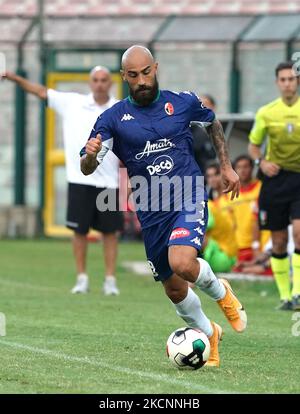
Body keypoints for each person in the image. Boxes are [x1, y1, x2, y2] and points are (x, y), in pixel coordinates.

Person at [80, 45, 247, 368]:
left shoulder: (181, 102)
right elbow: (88, 165)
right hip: (151, 207)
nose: (141, 80)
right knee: (174, 288)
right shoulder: (112, 119)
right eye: (133, 75)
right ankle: (208, 333)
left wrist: (226, 167)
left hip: (188, 192)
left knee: (183, 262)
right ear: (124, 77)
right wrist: (90, 154)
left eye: (146, 72)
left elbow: (212, 123)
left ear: (155, 68)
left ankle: (222, 293)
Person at [2, 66, 124, 295]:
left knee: (110, 233)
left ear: (111, 83)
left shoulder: (119, 109)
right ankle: (82, 278)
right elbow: (40, 91)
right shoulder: (72, 103)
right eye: (95, 80)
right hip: (79, 179)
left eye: (104, 80)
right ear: (90, 83)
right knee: (79, 232)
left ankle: (110, 280)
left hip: (109, 182)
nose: (99, 83)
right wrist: (13, 76)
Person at [248, 61, 300, 311]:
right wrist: (262, 162)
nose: (288, 83)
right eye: (283, 79)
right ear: (277, 83)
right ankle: (285, 296)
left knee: (299, 233)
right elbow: (254, 145)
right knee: (278, 241)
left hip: (299, 178)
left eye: (292, 78)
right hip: (275, 181)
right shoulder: (267, 112)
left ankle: (298, 292)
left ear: (297, 81)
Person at [229, 155, 270, 265]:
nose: (243, 170)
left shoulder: (262, 188)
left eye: (246, 166)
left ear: (252, 168)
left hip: (262, 244)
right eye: (239, 167)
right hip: (240, 246)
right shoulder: (230, 194)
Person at [203, 163, 238, 273]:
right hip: (222, 247)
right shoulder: (214, 202)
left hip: (236, 249)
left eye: (216, 174)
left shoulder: (235, 197)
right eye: (209, 176)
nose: (212, 179)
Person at [190, 94, 216, 172]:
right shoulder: (190, 128)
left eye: (206, 104)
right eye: (200, 104)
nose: (203, 107)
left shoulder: (221, 127)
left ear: (213, 107)